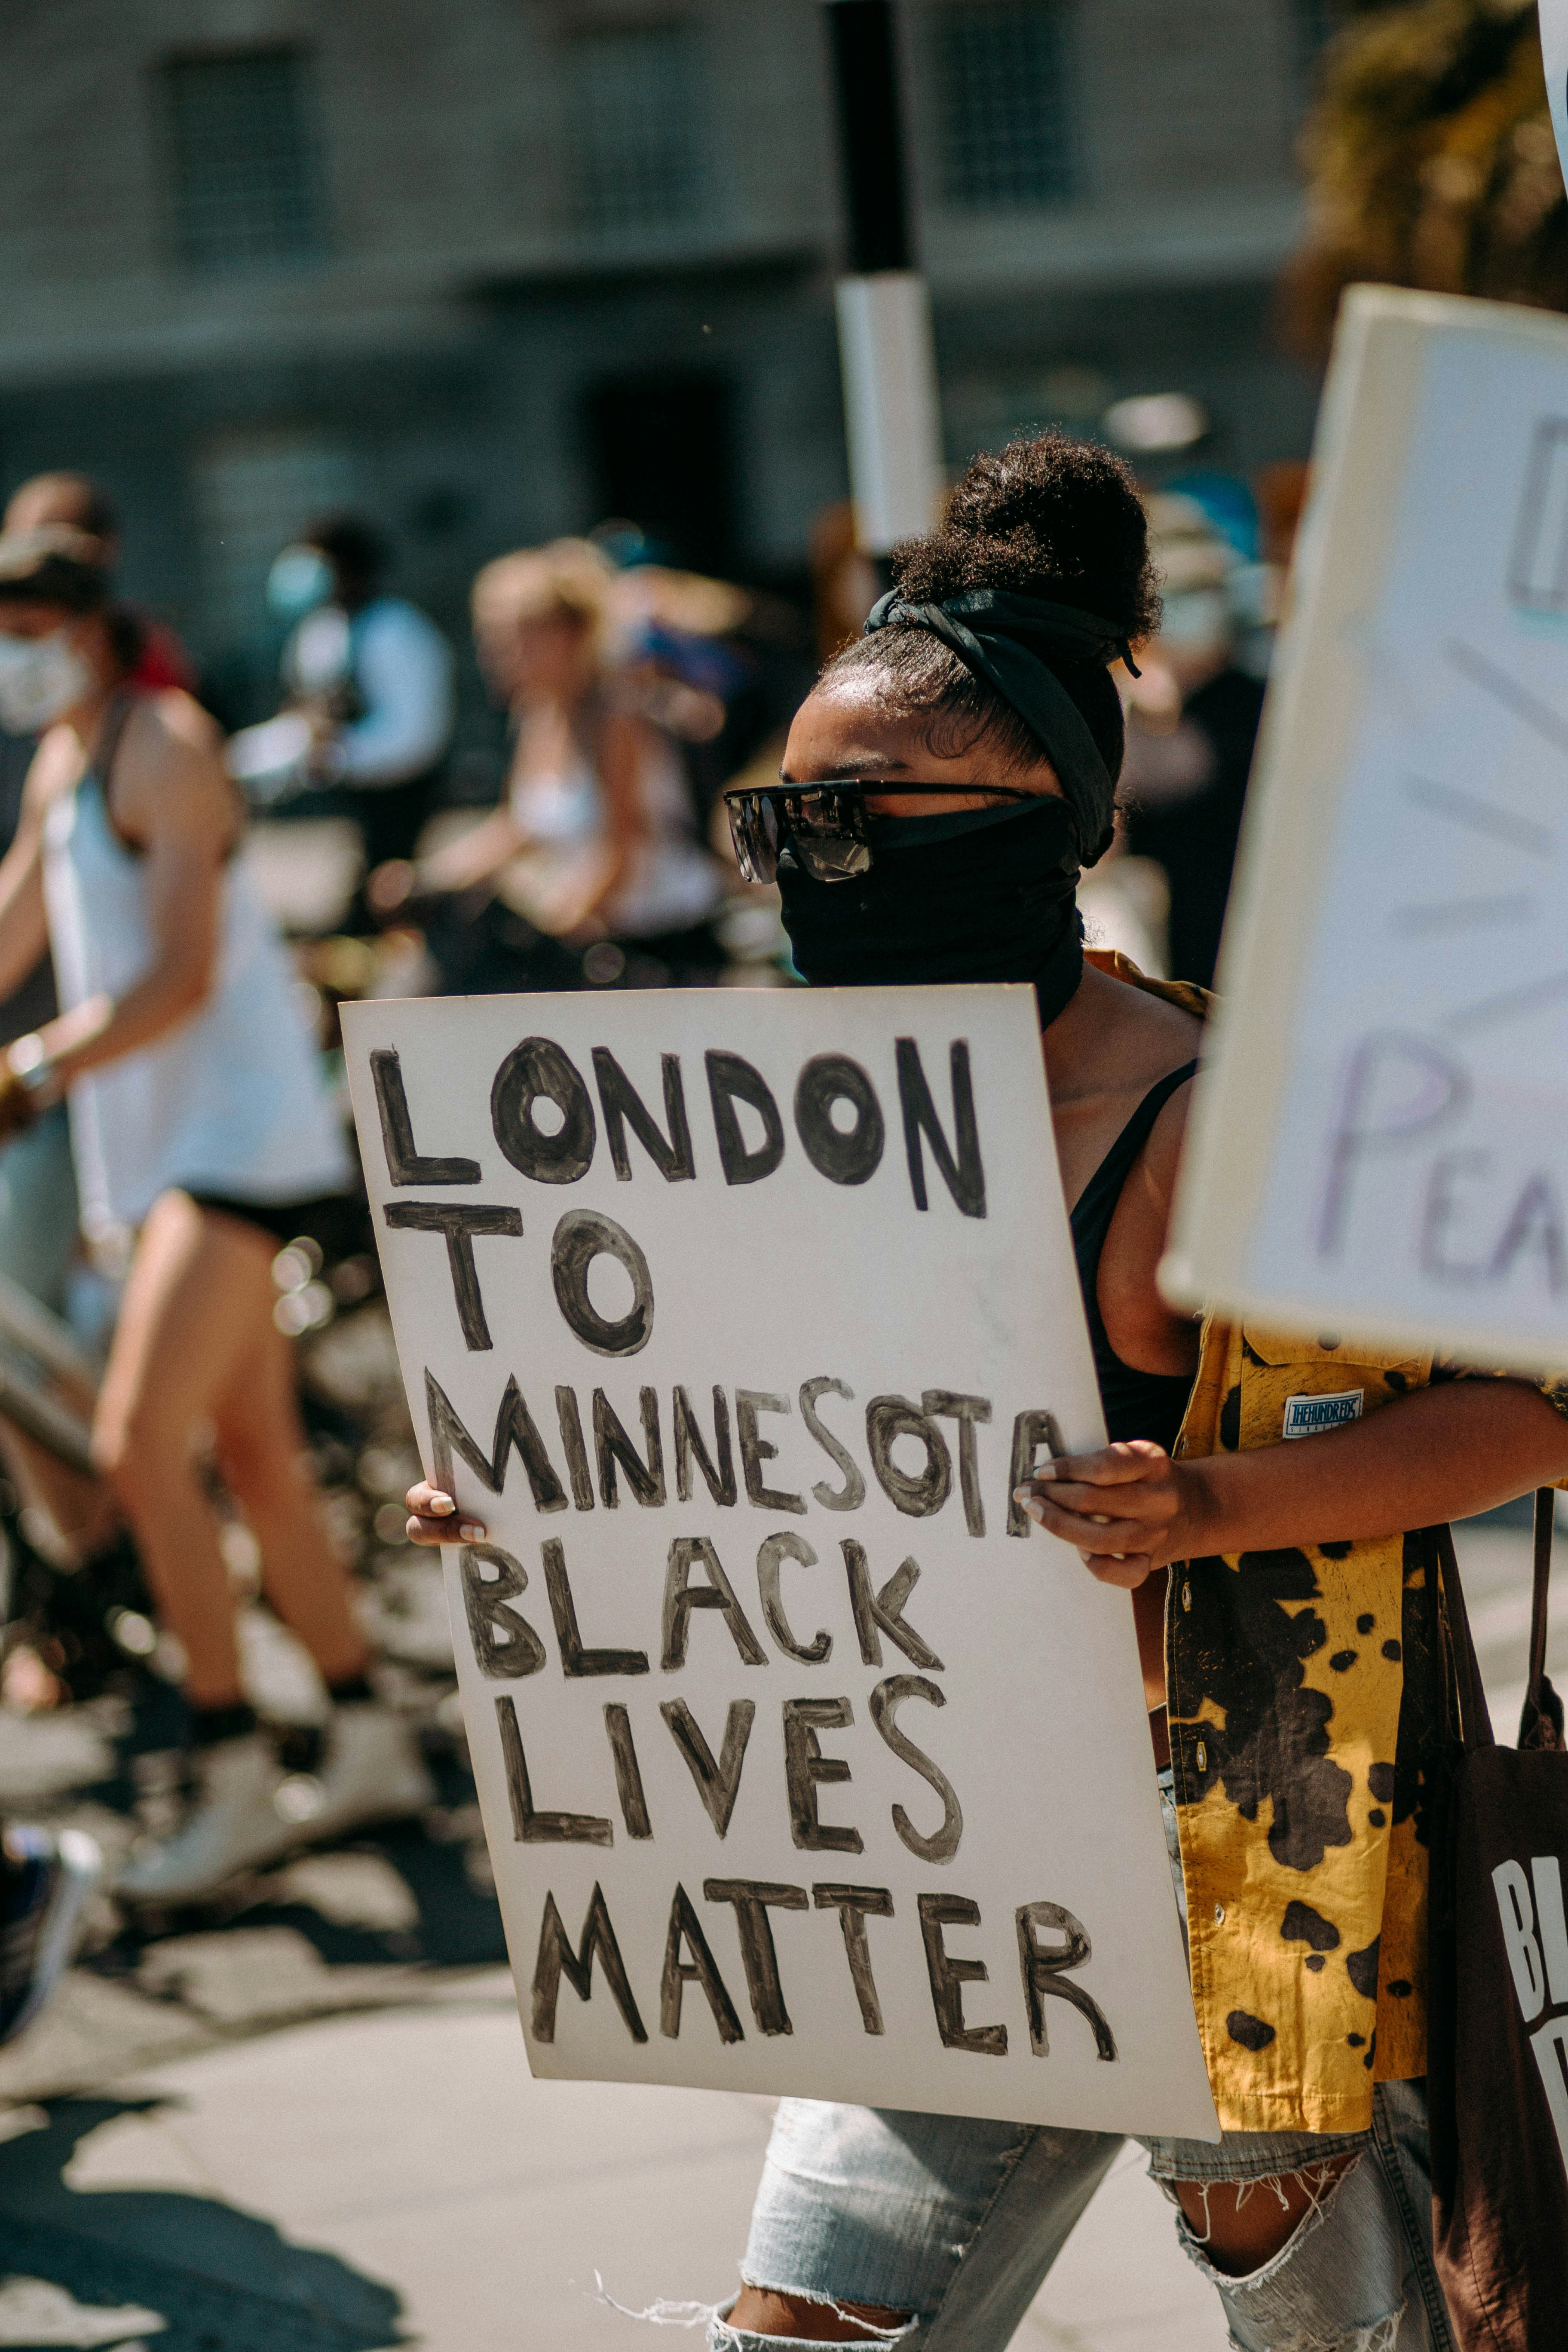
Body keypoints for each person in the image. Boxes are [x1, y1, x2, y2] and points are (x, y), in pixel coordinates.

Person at [406, 434, 1568, 2349]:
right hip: (937, 1862)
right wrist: (541, 1502)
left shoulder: (1231, 1115)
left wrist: (1205, 1509)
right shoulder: (751, 1118)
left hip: (1245, 1868)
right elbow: (722, 1450)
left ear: (1050, 805)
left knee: (1338, 2334)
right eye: (784, 816)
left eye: (862, 809)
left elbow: (1527, 1408)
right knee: (805, 2327)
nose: (810, 854)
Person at [0, 526, 431, 1907]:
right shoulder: (70, 752)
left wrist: (30, 1068)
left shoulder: (165, 744)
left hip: (240, 1146)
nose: (11, 650)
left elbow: (181, 975)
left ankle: (232, 1773)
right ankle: (368, 1742)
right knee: (255, 1459)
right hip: (170, 1153)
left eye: (27, 622)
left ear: (88, 624)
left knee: (138, 1448)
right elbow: (13, 921)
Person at [369, 539, 725, 988]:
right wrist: (426, 877)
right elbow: (519, 824)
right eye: (489, 640)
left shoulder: (618, 715)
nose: (495, 658)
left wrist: (551, 933)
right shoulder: (538, 714)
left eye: (513, 640)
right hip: (595, 942)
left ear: (569, 633)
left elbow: (623, 851)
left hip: (659, 945)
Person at [227, 514, 454, 889]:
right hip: (356, 793)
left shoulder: (398, 631)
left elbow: (415, 737)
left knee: (393, 889)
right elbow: (306, 718)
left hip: (403, 793)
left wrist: (339, 757)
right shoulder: (321, 632)